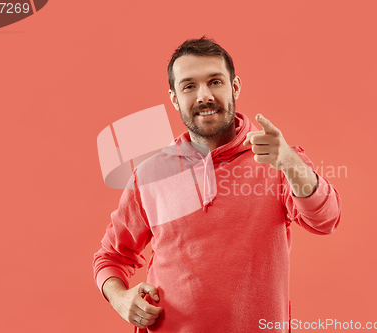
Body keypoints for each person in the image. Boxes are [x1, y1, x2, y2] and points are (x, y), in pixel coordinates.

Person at [93, 37, 341, 332]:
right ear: (174, 98)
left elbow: (326, 220)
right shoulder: (151, 173)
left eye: (214, 82)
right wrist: (120, 298)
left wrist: (291, 164)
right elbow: (111, 256)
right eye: (189, 86)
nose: (204, 96)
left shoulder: (277, 157)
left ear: (234, 87)